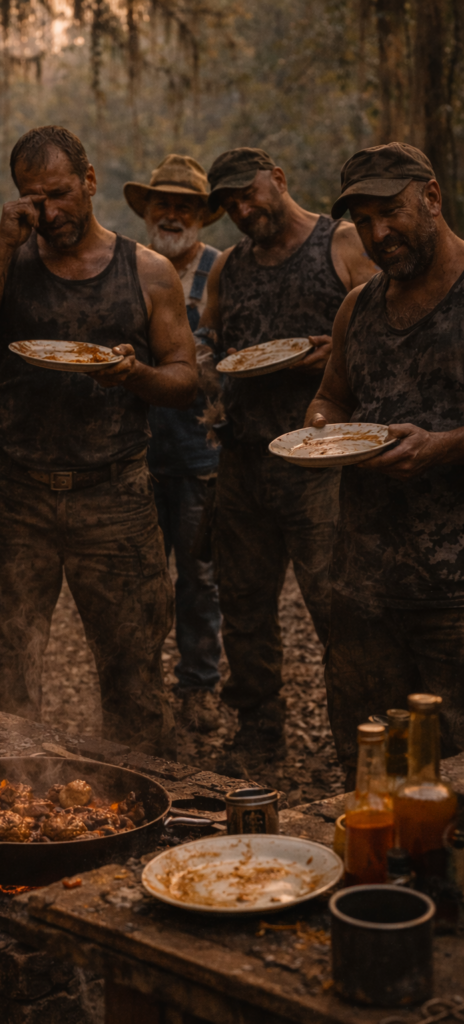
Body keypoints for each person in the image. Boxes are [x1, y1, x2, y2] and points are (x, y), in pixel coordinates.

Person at [0, 125, 197, 758]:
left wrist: (137, 375)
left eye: (58, 192)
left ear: (90, 182)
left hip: (115, 496)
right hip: (16, 494)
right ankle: (4, 795)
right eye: (32, 197)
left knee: (133, 670)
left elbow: (186, 379)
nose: (48, 210)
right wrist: (2, 243)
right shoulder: (8, 258)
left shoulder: (149, 271)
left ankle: (141, 799)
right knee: (3, 670)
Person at [199, 147, 377, 774]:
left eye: (249, 193)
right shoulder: (228, 266)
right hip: (244, 461)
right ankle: (257, 736)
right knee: (244, 607)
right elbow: (210, 345)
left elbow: (388, 328)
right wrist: (202, 366)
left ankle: (361, 744)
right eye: (229, 206)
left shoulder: (344, 242)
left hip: (319, 461)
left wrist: (335, 354)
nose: (243, 210)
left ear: (277, 177)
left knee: (338, 605)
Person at [306, 142, 464, 784]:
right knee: (371, 777)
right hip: (364, 592)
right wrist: (321, 433)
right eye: (363, 220)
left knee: (452, 782)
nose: (377, 234)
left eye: (390, 212)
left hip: (456, 599)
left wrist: (443, 446)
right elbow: (330, 396)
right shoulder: (358, 308)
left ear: (430, 197)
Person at [124, 154, 223, 733]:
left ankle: (199, 686)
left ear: (202, 217)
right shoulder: (131, 268)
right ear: (147, 209)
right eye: (163, 203)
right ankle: (138, 692)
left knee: (199, 576)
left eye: (184, 206)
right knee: (137, 578)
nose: (172, 214)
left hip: (200, 451)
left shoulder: (222, 271)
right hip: (136, 451)